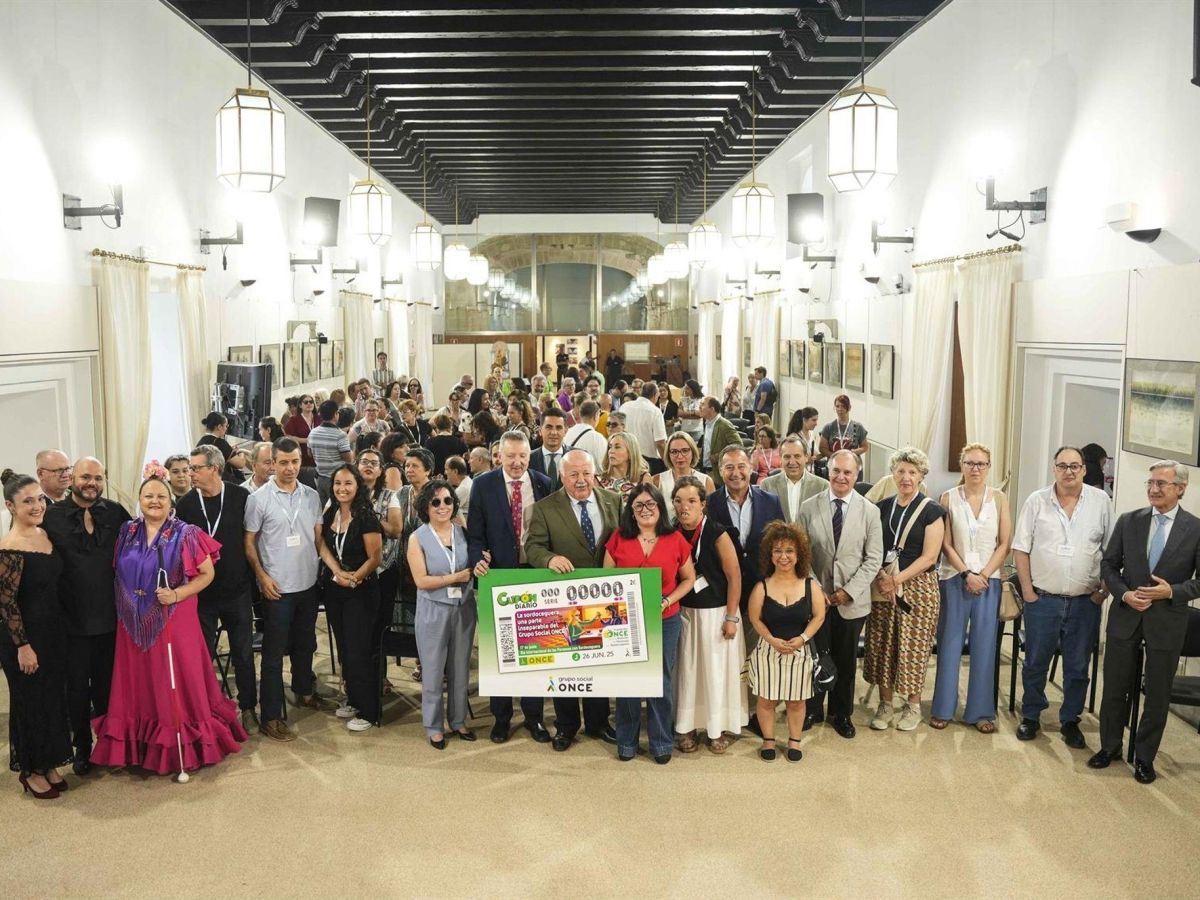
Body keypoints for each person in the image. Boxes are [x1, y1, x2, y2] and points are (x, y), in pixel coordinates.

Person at [90, 473, 247, 774]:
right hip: (132, 622)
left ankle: (182, 745)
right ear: (139, 500)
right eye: (148, 496)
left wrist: (177, 594)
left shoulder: (186, 534)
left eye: (161, 496)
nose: (155, 501)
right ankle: (139, 745)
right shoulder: (126, 531)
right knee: (139, 682)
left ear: (171, 501)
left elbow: (207, 574)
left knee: (174, 680)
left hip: (174, 620)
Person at [1090, 460, 1200, 784]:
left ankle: (1144, 757)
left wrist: (1172, 591)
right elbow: (1109, 565)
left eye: (1161, 484)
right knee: (1114, 686)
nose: (1153, 489)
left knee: (1157, 693)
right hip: (1126, 616)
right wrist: (1123, 594)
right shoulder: (1130, 521)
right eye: (1150, 483)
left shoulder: (1195, 528)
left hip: (1167, 621)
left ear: (1180, 488)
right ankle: (1109, 747)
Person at [1012, 446, 1113, 747]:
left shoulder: (1101, 501)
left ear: (1084, 469)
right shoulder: (1036, 501)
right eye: (1062, 465)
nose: (1068, 471)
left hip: (1085, 602)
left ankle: (1070, 720)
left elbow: (1112, 551)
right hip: (1042, 600)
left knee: (1078, 666)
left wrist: (1103, 592)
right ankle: (1031, 715)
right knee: (1035, 662)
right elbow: (1020, 548)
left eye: (1074, 466)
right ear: (1054, 469)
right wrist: (1027, 591)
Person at [525, 450, 622, 750]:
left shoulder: (614, 501)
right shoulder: (544, 508)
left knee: (598, 661)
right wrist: (549, 559)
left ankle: (598, 722)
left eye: (586, 473)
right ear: (562, 476)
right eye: (574, 474)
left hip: (603, 598)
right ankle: (566, 726)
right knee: (565, 664)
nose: (581, 480)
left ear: (595, 474)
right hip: (563, 600)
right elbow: (533, 547)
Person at [41, 457, 130, 775]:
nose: (92, 483)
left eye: (98, 478)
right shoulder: (51, 517)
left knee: (108, 688)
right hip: (71, 622)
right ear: (72, 479)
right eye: (85, 477)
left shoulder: (116, 512)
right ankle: (81, 747)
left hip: (111, 619)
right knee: (76, 690)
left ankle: (109, 744)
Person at [244, 437, 337, 742]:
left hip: (307, 584)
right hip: (277, 588)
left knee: (305, 644)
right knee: (273, 654)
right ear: (272, 463)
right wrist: (262, 576)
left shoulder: (311, 496)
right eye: (283, 462)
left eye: (295, 461)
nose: (290, 468)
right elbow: (249, 542)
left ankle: (304, 691)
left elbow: (318, 539)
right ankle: (270, 716)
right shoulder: (259, 499)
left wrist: (333, 570)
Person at [467, 430, 553, 742]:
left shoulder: (544, 483)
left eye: (523, 456)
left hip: (533, 574)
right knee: (498, 652)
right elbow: (475, 535)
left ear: (530, 456)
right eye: (511, 456)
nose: (517, 462)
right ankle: (501, 718)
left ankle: (534, 718)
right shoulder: (482, 485)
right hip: (498, 576)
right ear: (499, 456)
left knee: (534, 651)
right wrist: (477, 559)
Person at [604, 484, 696, 763]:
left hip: (665, 619)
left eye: (650, 504)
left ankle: (661, 742)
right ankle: (627, 742)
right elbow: (606, 579)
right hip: (625, 621)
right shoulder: (618, 538)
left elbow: (689, 579)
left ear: (660, 507)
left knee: (660, 680)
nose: (645, 510)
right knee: (628, 679)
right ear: (631, 511)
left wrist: (667, 601)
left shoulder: (675, 539)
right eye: (638, 505)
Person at [798, 449, 884, 738]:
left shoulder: (870, 511)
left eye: (847, 472)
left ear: (857, 475)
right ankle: (812, 709)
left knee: (845, 661)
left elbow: (873, 558)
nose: (841, 477)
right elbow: (801, 554)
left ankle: (841, 713)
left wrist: (849, 591)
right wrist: (815, 589)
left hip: (852, 602)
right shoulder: (809, 507)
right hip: (817, 599)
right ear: (828, 471)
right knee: (815, 656)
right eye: (836, 470)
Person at [0, 471, 73, 799]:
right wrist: (23, 646)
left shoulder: (45, 534)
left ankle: (50, 761)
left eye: (39, 498)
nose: (37, 506)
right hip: (22, 638)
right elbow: (7, 604)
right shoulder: (8, 548)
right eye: (27, 501)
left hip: (52, 631)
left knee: (53, 698)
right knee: (30, 702)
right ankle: (30, 770)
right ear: (10, 506)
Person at [175, 446, 257, 732]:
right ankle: (206, 710)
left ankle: (249, 706)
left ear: (214, 468)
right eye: (190, 468)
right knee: (202, 656)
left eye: (196, 468)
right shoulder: (185, 504)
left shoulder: (240, 497)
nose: (191, 473)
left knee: (243, 653)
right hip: (202, 595)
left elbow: (251, 540)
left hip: (237, 590)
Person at [931, 442, 1011, 732]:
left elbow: (1004, 543)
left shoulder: (999, 498)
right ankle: (943, 708)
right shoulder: (948, 497)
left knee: (984, 646)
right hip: (955, 578)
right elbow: (945, 543)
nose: (975, 468)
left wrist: (984, 574)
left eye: (981, 464)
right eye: (970, 463)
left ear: (989, 467)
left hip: (989, 581)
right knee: (950, 644)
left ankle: (980, 711)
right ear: (961, 465)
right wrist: (967, 574)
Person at [864, 448, 945, 732]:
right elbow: (872, 547)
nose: (906, 477)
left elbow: (930, 557)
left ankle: (913, 706)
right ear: (892, 474)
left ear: (922, 476)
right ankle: (885, 704)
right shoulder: (881, 507)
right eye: (900, 471)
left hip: (918, 588)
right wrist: (882, 576)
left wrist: (896, 580)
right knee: (883, 646)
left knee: (913, 648)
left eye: (912, 472)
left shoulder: (932, 511)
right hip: (883, 585)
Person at [705, 445, 784, 733]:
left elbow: (780, 543)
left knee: (755, 655)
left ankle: (751, 712)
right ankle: (723, 712)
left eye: (741, 466)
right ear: (720, 471)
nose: (736, 473)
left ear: (751, 468)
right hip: (721, 593)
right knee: (724, 655)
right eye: (729, 467)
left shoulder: (770, 501)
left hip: (760, 590)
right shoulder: (710, 503)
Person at [671, 475, 746, 754]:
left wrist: (731, 617)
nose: (684, 507)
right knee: (687, 673)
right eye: (678, 501)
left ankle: (717, 728)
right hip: (684, 612)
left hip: (717, 614)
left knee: (716, 673)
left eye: (691, 500)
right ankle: (686, 726)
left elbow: (734, 576)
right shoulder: (670, 533)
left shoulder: (717, 532)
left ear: (703, 503)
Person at [747, 521, 827, 762]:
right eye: (778, 551)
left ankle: (794, 741)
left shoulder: (810, 585)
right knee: (766, 700)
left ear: (799, 554)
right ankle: (768, 741)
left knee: (797, 701)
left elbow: (819, 616)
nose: (783, 557)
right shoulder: (761, 587)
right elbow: (755, 618)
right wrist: (771, 639)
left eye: (789, 551)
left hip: (800, 652)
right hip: (767, 652)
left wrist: (803, 638)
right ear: (770, 555)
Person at [408, 479, 477, 749]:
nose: (442, 506)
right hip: (433, 611)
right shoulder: (418, 538)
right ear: (426, 506)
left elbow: (476, 565)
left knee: (460, 668)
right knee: (434, 670)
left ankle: (458, 721)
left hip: (464, 608)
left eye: (448, 500)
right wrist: (455, 577)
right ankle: (434, 726)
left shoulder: (464, 532)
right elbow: (421, 581)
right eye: (435, 502)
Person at [316, 464, 382, 733]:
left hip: (361, 590)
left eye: (348, 483)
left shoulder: (366, 516)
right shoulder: (330, 511)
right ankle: (354, 699)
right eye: (337, 483)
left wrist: (353, 578)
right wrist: (337, 572)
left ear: (357, 486)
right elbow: (321, 544)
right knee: (344, 648)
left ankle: (369, 710)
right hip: (335, 588)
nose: (342, 489)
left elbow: (375, 557)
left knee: (359, 650)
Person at [760, 435, 829, 524]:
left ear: (806, 457)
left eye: (797, 456)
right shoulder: (767, 485)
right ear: (780, 458)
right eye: (787, 457)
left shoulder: (823, 487)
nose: (792, 462)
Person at [653, 432, 714, 522]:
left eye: (685, 451)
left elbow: (711, 518)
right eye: (674, 452)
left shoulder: (706, 481)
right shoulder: (656, 481)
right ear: (668, 454)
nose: (680, 456)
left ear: (693, 452)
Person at [309, 399, 354, 502]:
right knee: (336, 508)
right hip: (336, 479)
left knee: (323, 508)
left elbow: (309, 453)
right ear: (335, 414)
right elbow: (348, 459)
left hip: (319, 478)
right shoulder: (340, 435)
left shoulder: (313, 432)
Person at [619, 382, 668, 475]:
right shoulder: (655, 411)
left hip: (628, 458)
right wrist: (668, 463)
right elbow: (660, 443)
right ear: (655, 395)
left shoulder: (624, 406)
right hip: (649, 463)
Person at [818, 395, 868, 476]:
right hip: (834, 467)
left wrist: (853, 452)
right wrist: (835, 456)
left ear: (849, 407)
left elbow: (865, 447)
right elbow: (822, 448)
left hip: (852, 466)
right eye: (837, 406)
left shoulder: (858, 427)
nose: (840, 409)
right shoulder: (829, 427)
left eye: (843, 406)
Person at [699, 397, 741, 484]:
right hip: (705, 470)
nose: (699, 407)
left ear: (712, 409)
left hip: (717, 473)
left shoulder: (724, 424)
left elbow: (738, 445)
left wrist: (718, 456)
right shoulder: (707, 423)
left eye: (702, 405)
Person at [597, 432, 647, 498]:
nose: (611, 451)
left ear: (631, 453)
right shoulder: (598, 481)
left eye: (617, 447)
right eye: (610, 447)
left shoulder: (644, 478)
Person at [562, 399, 609, 470]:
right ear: (596, 415)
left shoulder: (568, 432)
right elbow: (604, 467)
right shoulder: (598, 438)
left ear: (580, 414)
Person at [530, 406, 567, 491]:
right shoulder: (528, 459)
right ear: (540, 430)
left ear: (565, 431)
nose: (554, 432)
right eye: (549, 427)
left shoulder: (575, 457)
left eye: (558, 428)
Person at [283, 396, 320, 468]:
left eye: (311, 402)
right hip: (302, 455)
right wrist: (305, 440)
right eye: (306, 402)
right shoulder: (294, 420)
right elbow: (288, 437)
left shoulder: (319, 418)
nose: (309, 404)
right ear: (300, 405)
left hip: (318, 456)